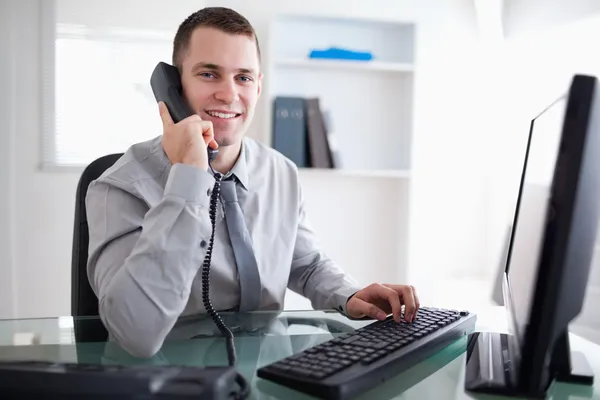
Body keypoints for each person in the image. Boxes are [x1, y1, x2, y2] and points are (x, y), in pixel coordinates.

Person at [85, 6, 420, 358]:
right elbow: (134, 334)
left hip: (264, 371)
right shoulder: (120, 186)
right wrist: (190, 179)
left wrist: (349, 294)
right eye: (209, 74)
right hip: (163, 378)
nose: (229, 95)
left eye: (243, 77)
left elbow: (304, 263)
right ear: (174, 87)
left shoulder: (281, 172)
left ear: (258, 87)